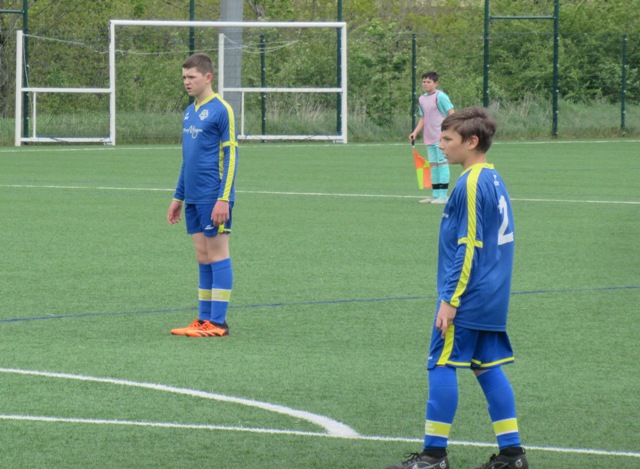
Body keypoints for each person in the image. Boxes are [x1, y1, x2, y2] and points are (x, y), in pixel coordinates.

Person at [388, 107, 528, 469]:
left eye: (448, 139)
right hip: (492, 295)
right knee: (487, 366)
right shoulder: (493, 178)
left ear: (472, 142)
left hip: (468, 296)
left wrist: (450, 300)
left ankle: (434, 456)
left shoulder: (470, 184)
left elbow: (468, 248)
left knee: (441, 363)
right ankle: (512, 455)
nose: (441, 144)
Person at [167, 53, 238, 338]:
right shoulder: (189, 112)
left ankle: (218, 323)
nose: (187, 82)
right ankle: (204, 319)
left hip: (213, 195)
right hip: (193, 197)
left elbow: (231, 156)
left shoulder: (222, 109)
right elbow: (188, 159)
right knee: (202, 256)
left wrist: (224, 198)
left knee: (218, 254)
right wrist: (178, 197)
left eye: (192, 77)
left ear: (208, 77)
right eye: (184, 77)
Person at [409, 71, 455, 204]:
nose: (425, 84)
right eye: (424, 81)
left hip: (441, 138)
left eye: (429, 82)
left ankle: (443, 196)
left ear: (436, 83)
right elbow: (423, 117)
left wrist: (446, 133)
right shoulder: (421, 99)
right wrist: (415, 132)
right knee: (433, 165)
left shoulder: (440, 97)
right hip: (429, 138)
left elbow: (452, 114)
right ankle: (435, 195)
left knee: (442, 164)